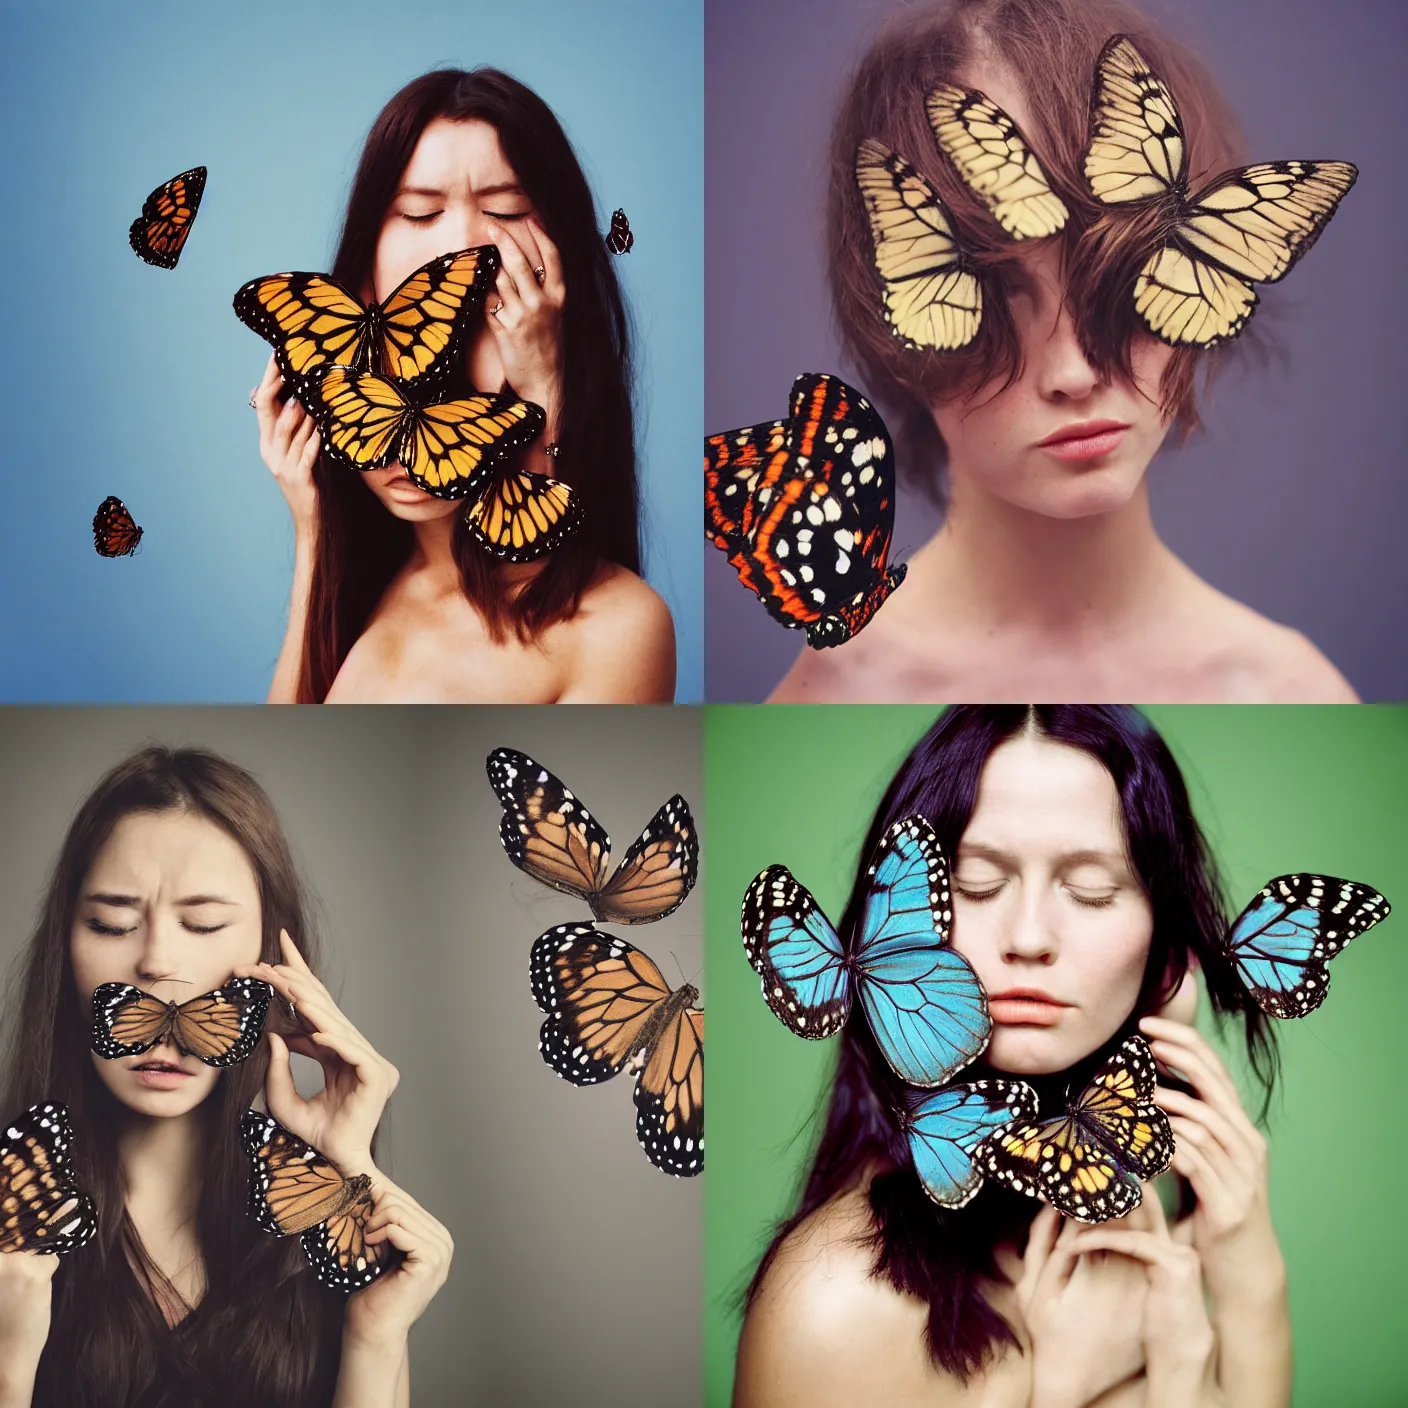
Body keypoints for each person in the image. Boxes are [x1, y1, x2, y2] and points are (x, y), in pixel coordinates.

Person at [769, 0, 1356, 703]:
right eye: (992, 292)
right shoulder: (836, 695)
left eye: (1124, 278)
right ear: (891, 315)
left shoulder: (1287, 696)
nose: (1074, 372)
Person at [736, 706, 1291, 1407]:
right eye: (975, 884)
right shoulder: (837, 1301)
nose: (1030, 937)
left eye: (1092, 891)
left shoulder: (1146, 1214)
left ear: (1161, 934)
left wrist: (1251, 1279)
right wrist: (1062, 1392)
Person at [0, 746, 451, 1408]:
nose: (157, 961)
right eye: (112, 923)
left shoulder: (317, 1218)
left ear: (271, 955)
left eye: (205, 923)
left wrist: (375, 1330)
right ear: (66, 952)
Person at [253, 68, 674, 703]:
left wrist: (544, 397)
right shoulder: (365, 586)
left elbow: (531, 562)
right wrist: (313, 531)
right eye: (419, 212)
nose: (461, 242)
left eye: (505, 210)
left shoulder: (618, 625)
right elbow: (277, 778)